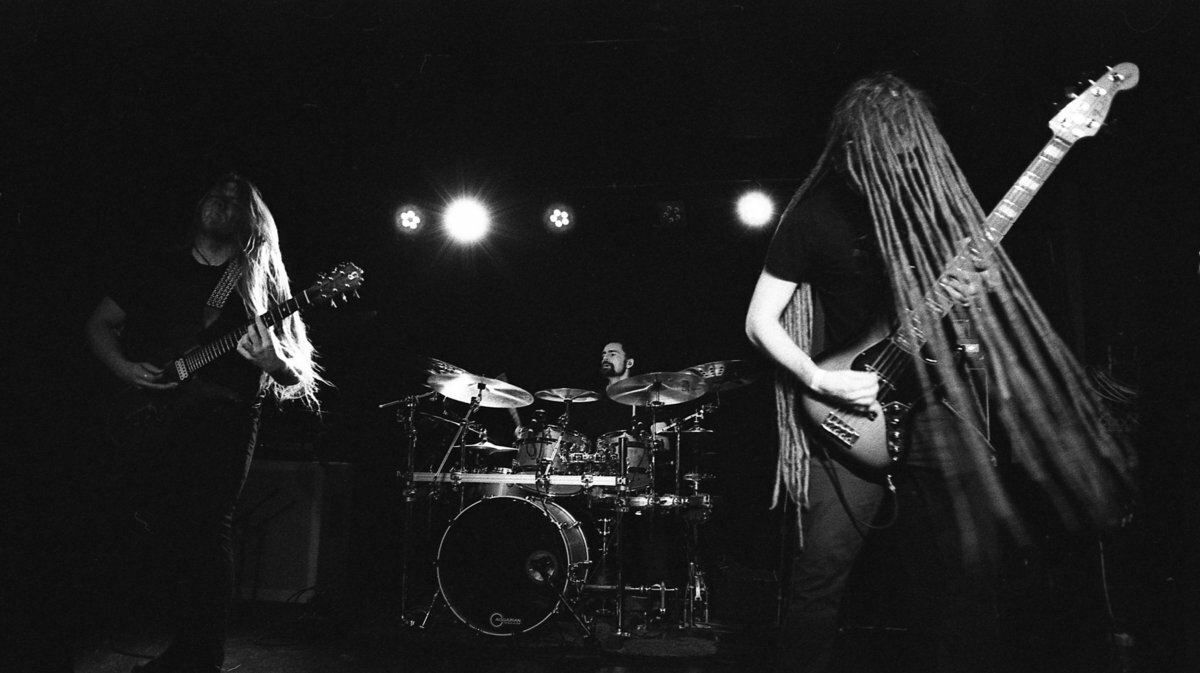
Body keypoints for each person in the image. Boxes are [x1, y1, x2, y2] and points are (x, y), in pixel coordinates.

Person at [744, 73, 1133, 672]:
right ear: (851, 143)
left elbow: (982, 305)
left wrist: (978, 293)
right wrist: (817, 379)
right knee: (819, 574)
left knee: (969, 579)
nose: (894, 157)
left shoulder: (940, 212)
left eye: (905, 143)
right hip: (850, 409)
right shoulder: (815, 214)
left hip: (943, 411)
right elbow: (759, 321)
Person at [85, 172, 324, 673]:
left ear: (249, 218)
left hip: (224, 421)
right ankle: (185, 647)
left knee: (209, 529)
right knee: (169, 529)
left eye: (235, 200)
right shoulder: (158, 266)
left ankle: (204, 657)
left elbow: (297, 373)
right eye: (215, 194)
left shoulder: (259, 280)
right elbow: (99, 323)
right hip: (153, 415)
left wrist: (273, 363)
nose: (221, 203)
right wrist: (125, 369)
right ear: (198, 205)